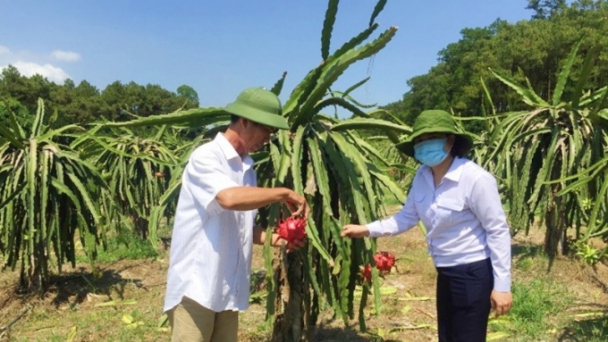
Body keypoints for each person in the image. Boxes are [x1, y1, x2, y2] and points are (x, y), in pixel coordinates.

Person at [341, 110, 512, 342]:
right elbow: (406, 217)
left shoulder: (475, 179)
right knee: (448, 336)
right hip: (445, 270)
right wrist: (366, 229)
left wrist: (502, 286)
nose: (424, 145)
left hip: (472, 272)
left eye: (431, 138)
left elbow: (497, 230)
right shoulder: (422, 176)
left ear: (450, 141)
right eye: (419, 141)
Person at [163, 87, 309, 342]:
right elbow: (228, 198)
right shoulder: (206, 157)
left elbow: (241, 227)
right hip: (196, 288)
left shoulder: (247, 168)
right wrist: (284, 193)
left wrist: (278, 239)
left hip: (227, 289)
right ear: (244, 121)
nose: (268, 138)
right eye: (266, 129)